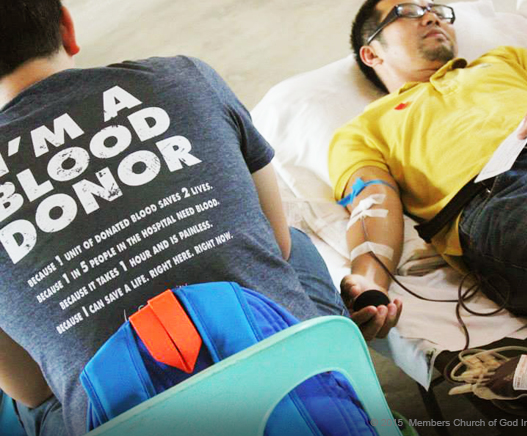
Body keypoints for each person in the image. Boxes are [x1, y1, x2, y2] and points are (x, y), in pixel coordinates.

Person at [0, 1, 346, 435]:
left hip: (131, 422)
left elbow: (31, 388)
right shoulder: (181, 77)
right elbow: (277, 244)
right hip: (297, 389)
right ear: (68, 27)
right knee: (296, 244)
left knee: (24, 405)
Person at [329, 0, 527, 341]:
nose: (430, 16)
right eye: (408, 11)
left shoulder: (503, 59)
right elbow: (373, 203)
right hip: (505, 200)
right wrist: (368, 281)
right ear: (371, 54)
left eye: (437, 11)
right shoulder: (362, 129)